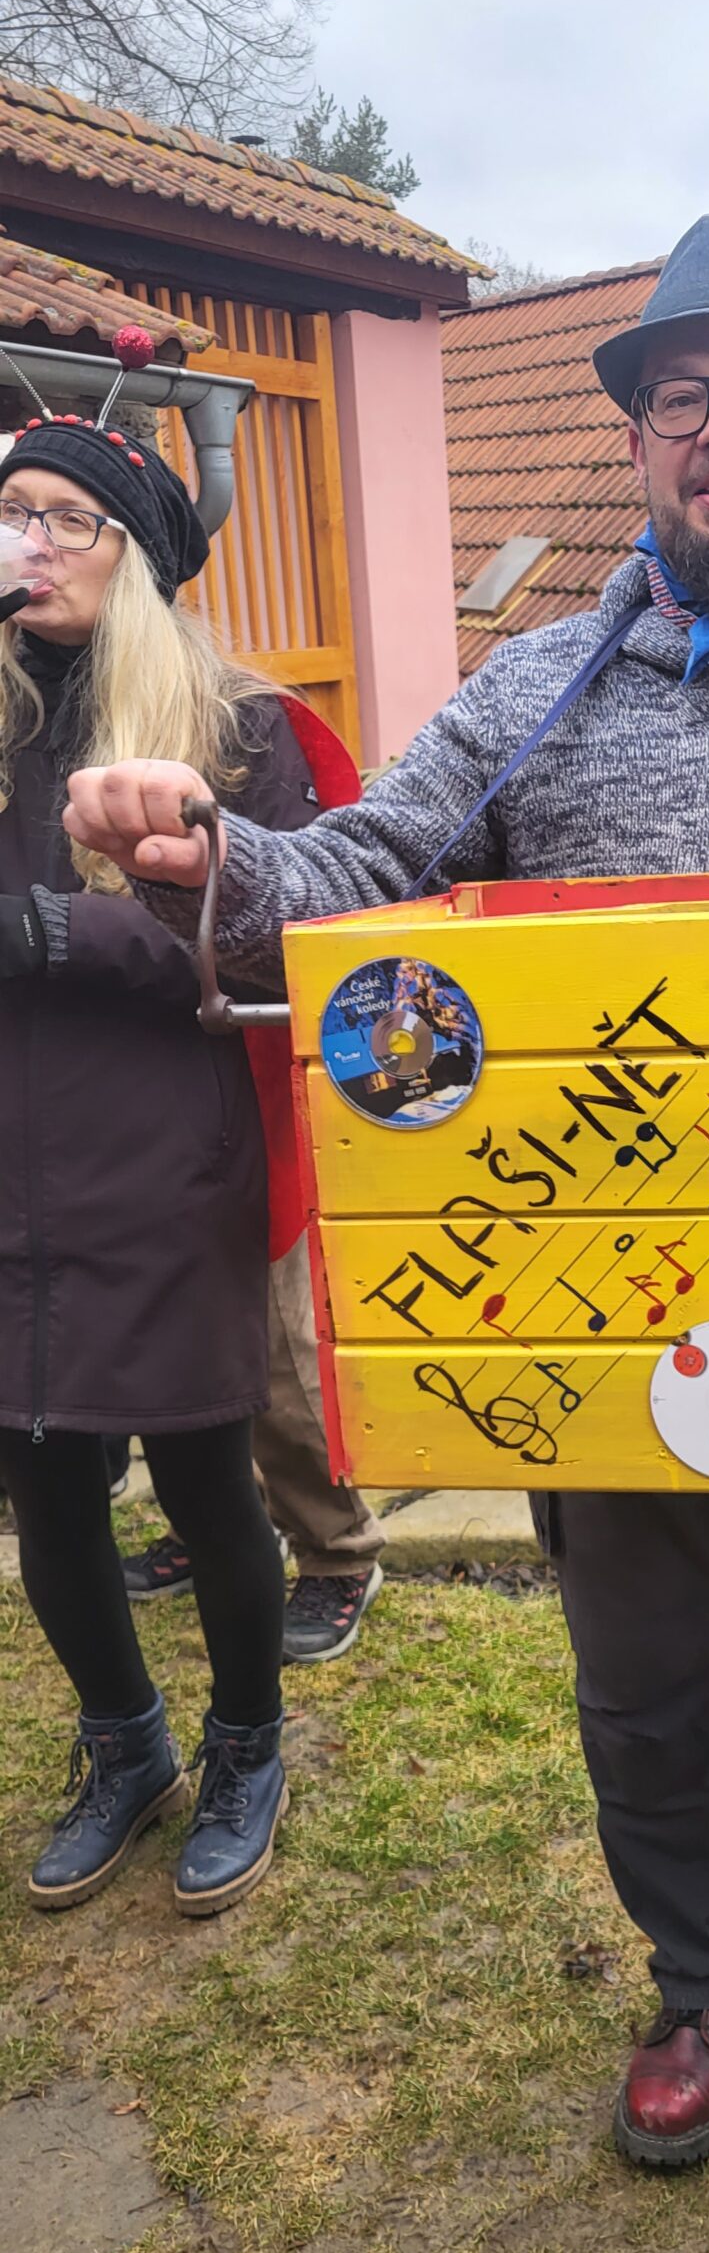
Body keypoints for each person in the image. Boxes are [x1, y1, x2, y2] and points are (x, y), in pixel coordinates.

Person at [64, 216, 709, 2214]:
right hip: (603, 1301)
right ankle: (706, 1974)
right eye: (677, 398)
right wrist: (210, 854)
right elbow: (361, 870)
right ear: (635, 441)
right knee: (644, 1681)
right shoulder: (536, 688)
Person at [0, 403, 326, 1914]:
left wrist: (62, 929)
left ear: (130, 553)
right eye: (10, 512)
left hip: (165, 1160)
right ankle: (125, 1743)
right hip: (9, 1167)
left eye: (62, 517)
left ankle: (247, 1742)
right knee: (46, 1491)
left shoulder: (234, 727)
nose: (28, 543)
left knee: (206, 1482)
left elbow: (285, 945)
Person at [122, 1238, 387, 1667]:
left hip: (248, 1197)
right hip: (147, 1200)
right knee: (178, 1337)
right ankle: (215, 1528)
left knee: (277, 1352)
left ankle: (339, 1552)